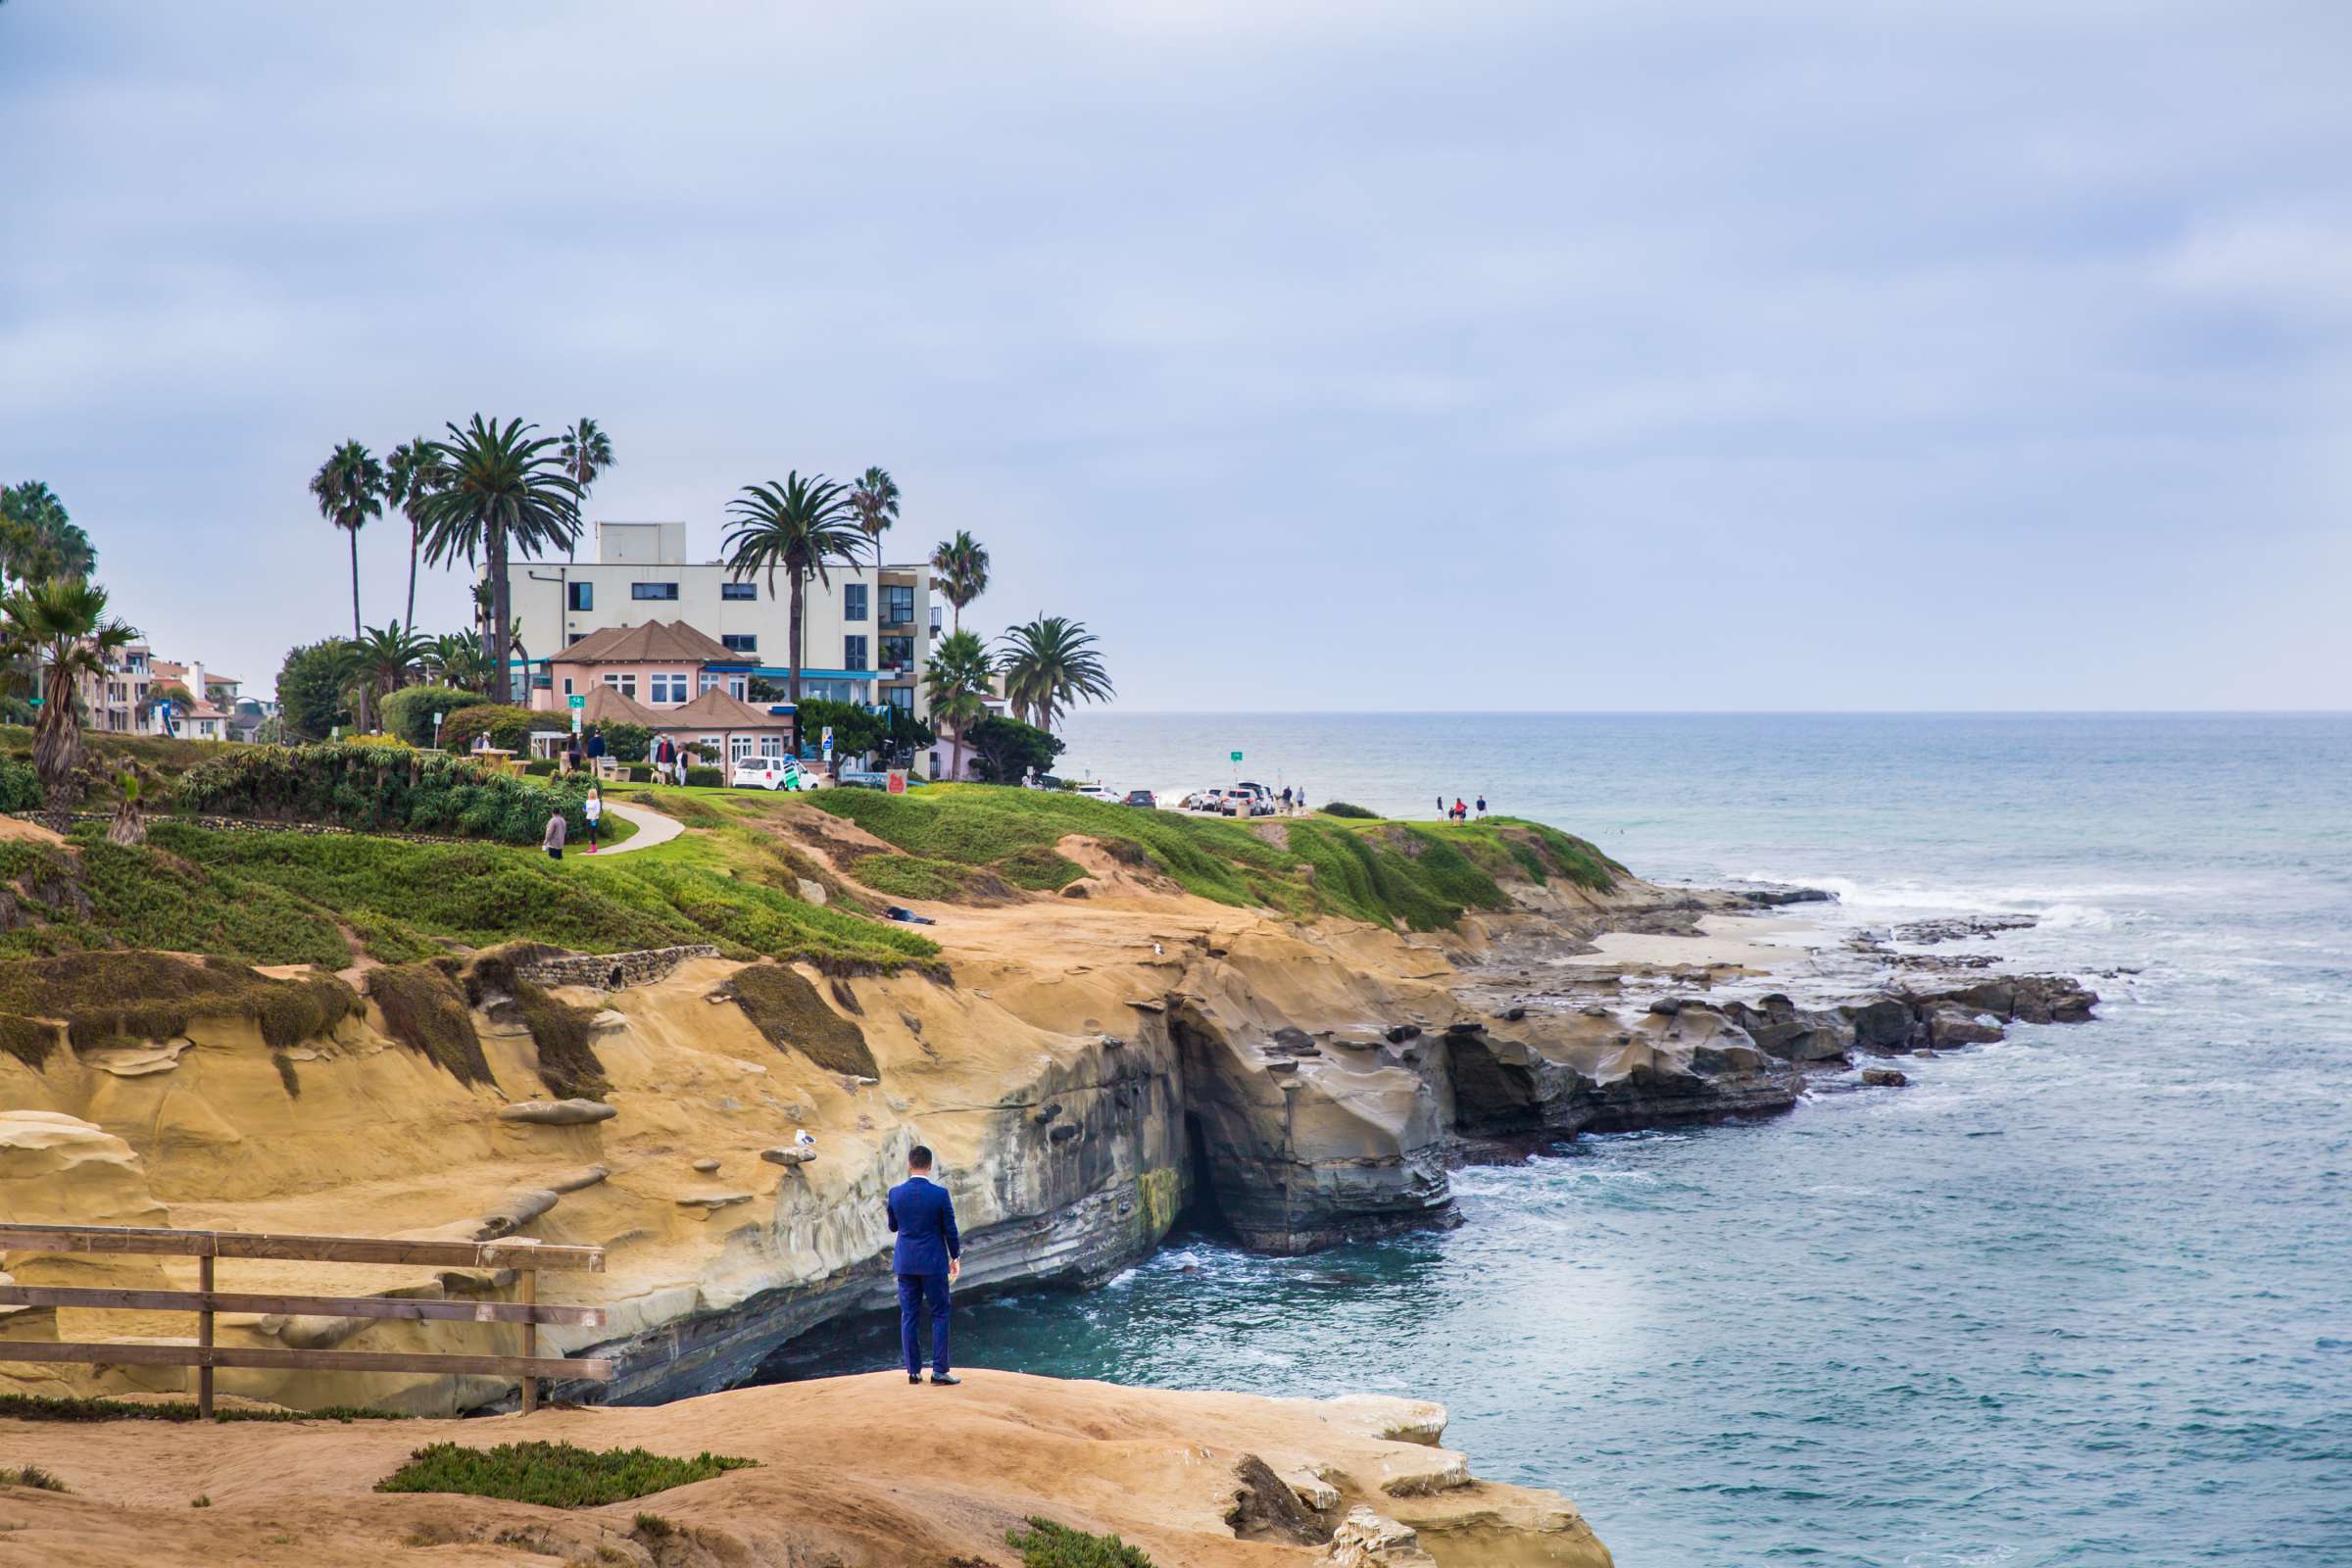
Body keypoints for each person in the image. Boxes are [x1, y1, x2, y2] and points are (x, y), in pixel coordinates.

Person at [887, 1144, 961, 1386]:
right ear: (929, 1167)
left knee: (909, 1315)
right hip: (933, 1263)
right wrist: (955, 1256)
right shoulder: (939, 1194)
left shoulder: (895, 1193)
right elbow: (950, 1229)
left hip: (906, 1263)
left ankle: (913, 1371)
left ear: (910, 1165)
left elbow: (893, 1226)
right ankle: (940, 1371)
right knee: (940, 1313)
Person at [583, 786, 603, 853]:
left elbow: (597, 811)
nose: (590, 794)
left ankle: (594, 848)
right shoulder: (587, 801)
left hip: (594, 820)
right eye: (589, 793)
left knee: (593, 833)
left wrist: (593, 819)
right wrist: (584, 808)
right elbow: (586, 810)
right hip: (588, 818)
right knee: (589, 833)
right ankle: (592, 847)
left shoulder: (597, 801)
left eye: (591, 793)